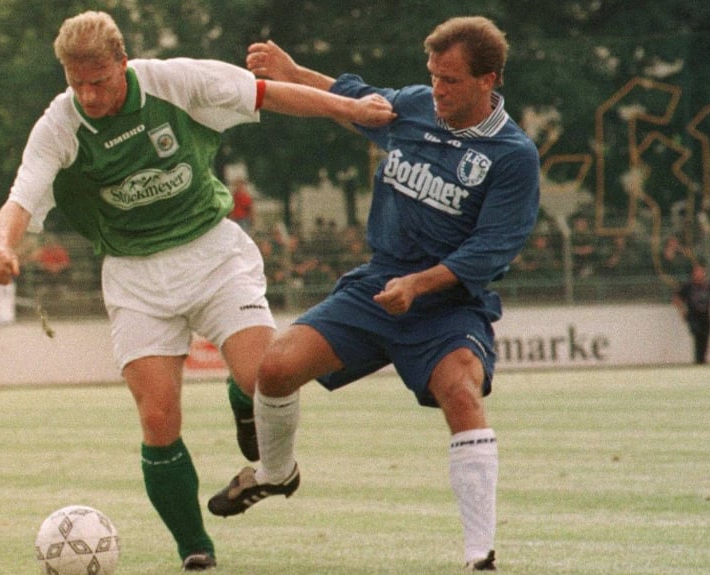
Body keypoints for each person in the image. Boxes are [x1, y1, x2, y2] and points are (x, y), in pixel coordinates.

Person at [0, 10, 395, 571]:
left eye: (99, 81)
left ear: (123, 63)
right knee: (158, 419)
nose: (89, 95)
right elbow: (21, 199)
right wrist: (0, 247)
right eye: (76, 84)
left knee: (261, 379)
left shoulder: (175, 82)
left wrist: (349, 108)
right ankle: (195, 548)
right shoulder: (59, 125)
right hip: (134, 277)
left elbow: (266, 93)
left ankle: (247, 414)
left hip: (212, 255)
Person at [207, 16, 541, 572]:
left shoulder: (512, 156)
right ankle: (274, 473)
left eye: (451, 80)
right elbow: (354, 99)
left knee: (462, 394)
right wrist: (293, 73)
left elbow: (490, 251)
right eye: (433, 76)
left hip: (448, 306)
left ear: (490, 80)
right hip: (378, 285)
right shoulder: (414, 106)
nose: (437, 89)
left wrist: (420, 284)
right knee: (275, 369)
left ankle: (480, 556)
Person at [672, 264, 710, 364]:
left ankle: (702, 360)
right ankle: (699, 359)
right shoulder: (688, 286)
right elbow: (676, 298)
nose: (699, 275)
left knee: (705, 338)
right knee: (697, 336)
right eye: (697, 272)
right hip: (693, 316)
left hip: (706, 315)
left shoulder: (709, 285)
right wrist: (682, 311)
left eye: (701, 272)